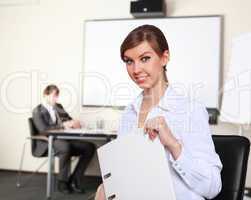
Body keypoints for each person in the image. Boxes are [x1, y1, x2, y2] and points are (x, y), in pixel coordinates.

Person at [94, 25, 222, 200]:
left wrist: (173, 145)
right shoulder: (129, 113)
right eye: (129, 61)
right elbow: (126, 174)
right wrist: (106, 188)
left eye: (144, 58)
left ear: (164, 58)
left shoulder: (189, 110)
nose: (136, 69)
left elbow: (213, 186)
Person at [32, 84, 95, 194]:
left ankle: (74, 180)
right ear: (46, 95)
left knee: (89, 147)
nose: (56, 99)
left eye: (57, 96)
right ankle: (62, 182)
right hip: (47, 142)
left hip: (63, 140)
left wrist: (74, 123)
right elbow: (43, 130)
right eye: (54, 96)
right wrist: (63, 126)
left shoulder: (58, 107)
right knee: (65, 147)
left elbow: (68, 119)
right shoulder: (37, 110)